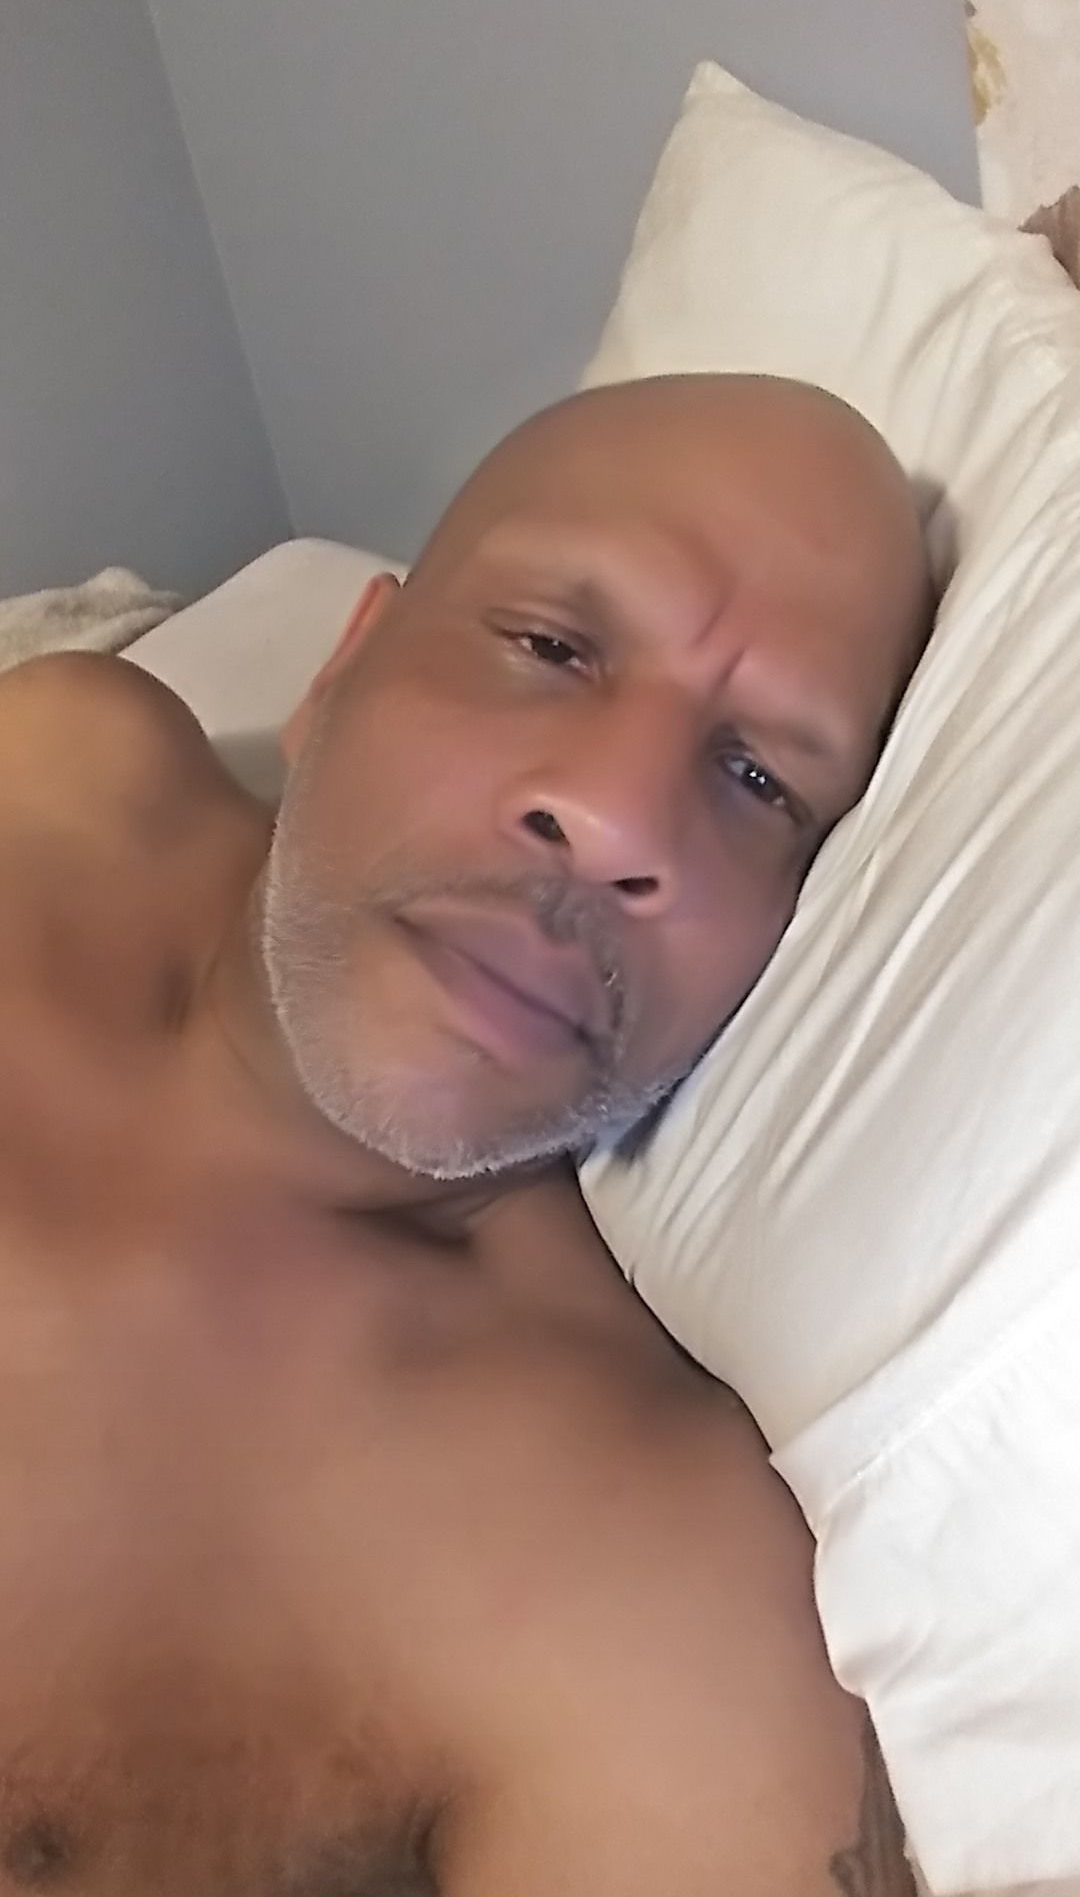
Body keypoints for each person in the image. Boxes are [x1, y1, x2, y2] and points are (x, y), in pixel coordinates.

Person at [0, 374, 931, 1896]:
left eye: (761, 779)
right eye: (552, 647)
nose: (615, 818)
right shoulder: (51, 764)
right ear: (341, 672)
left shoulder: (646, 1581)